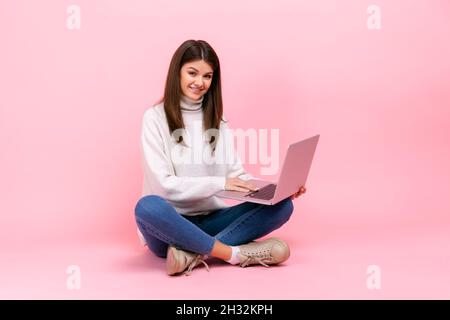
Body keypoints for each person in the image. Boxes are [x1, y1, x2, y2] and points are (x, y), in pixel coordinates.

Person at [134, 39, 306, 276]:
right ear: (177, 73)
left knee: (283, 206)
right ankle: (234, 254)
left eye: (207, 76)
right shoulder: (154, 118)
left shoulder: (217, 119)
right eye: (192, 73)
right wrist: (218, 184)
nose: (199, 82)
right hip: (170, 225)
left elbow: (236, 176)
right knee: (147, 206)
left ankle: (190, 254)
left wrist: (276, 191)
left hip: (211, 220)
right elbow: (163, 187)